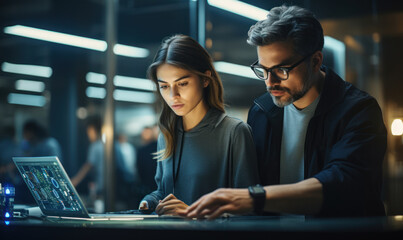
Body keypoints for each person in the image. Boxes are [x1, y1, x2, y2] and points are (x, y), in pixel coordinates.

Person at [183, 5, 387, 219]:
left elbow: (344, 184)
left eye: (282, 70)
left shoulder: (358, 110)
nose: (270, 82)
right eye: (263, 70)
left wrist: (255, 198)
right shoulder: (262, 110)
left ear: (316, 61)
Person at [139, 34, 259, 216]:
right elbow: (165, 192)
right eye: (164, 86)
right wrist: (150, 201)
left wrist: (193, 213)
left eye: (183, 83)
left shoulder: (234, 132)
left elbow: (249, 211)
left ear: (205, 79)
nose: (173, 95)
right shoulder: (167, 134)